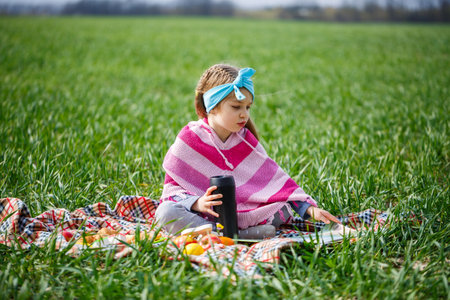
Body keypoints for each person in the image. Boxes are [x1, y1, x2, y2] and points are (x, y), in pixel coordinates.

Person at [155, 64, 340, 239]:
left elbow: (276, 185)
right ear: (212, 105)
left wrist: (308, 209)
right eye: (236, 107)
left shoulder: (246, 141)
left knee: (282, 208)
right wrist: (197, 203)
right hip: (204, 217)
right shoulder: (190, 139)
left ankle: (233, 234)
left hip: (245, 214)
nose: (244, 114)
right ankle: (233, 236)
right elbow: (172, 190)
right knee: (165, 213)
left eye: (248, 107)